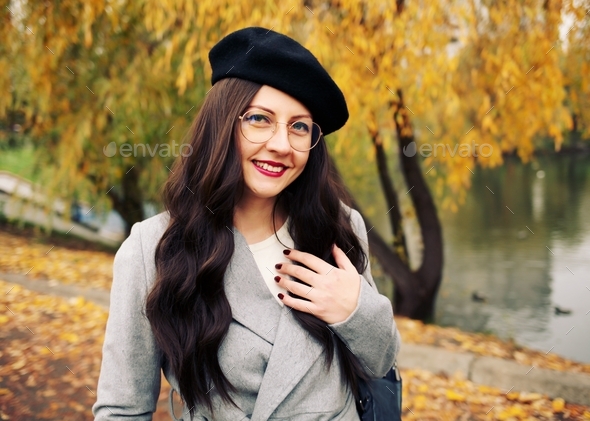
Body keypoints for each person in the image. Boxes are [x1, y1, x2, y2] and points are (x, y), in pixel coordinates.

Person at [92, 26, 401, 421]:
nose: (281, 144)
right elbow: (122, 409)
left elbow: (380, 362)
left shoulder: (339, 227)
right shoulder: (153, 248)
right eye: (259, 119)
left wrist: (354, 310)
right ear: (222, 123)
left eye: (299, 126)